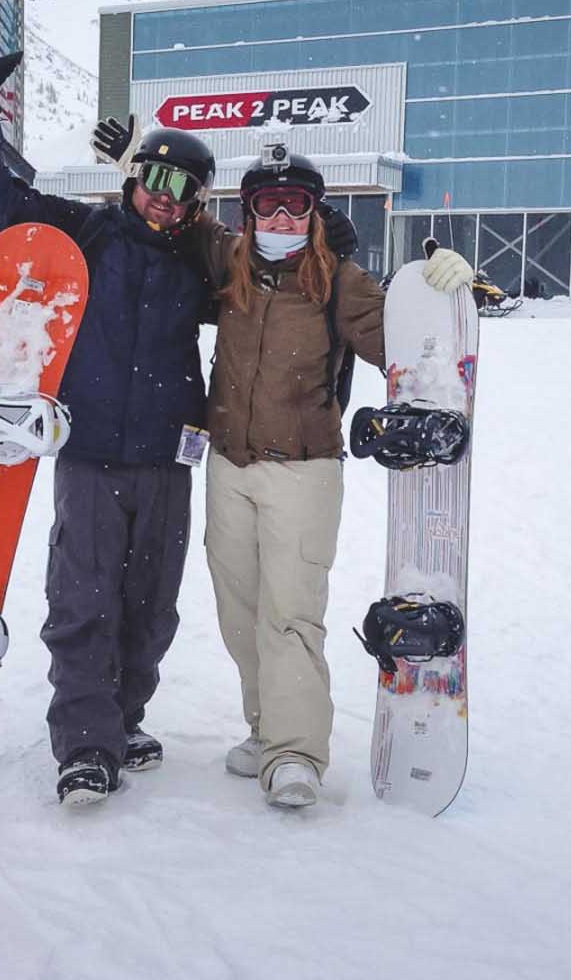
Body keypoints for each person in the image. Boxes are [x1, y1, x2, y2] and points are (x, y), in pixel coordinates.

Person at [0, 16, 228, 806]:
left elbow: (274, 284)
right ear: (133, 180)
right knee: (82, 604)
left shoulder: (199, 265)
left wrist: (328, 238)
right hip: (91, 456)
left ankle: (122, 718)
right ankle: (85, 745)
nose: (165, 197)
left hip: (168, 461)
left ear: (198, 204)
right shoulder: (86, 234)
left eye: (184, 189)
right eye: (155, 179)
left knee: (151, 611)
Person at [186, 145, 472, 809]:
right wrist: (136, 169)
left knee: (290, 616)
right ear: (249, 211)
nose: (281, 216)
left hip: (303, 471)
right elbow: (179, 223)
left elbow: (403, 341)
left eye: (296, 204)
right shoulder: (229, 262)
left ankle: (295, 754)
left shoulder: (339, 280)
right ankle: (267, 729)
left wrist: (444, 291)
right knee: (240, 615)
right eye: (268, 203)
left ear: (315, 212)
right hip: (228, 468)